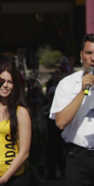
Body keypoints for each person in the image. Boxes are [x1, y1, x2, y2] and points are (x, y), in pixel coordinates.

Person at [49, 33, 94, 186]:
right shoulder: (67, 84)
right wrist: (82, 92)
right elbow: (60, 122)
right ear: (81, 55)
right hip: (77, 156)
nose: (93, 58)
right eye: (89, 53)